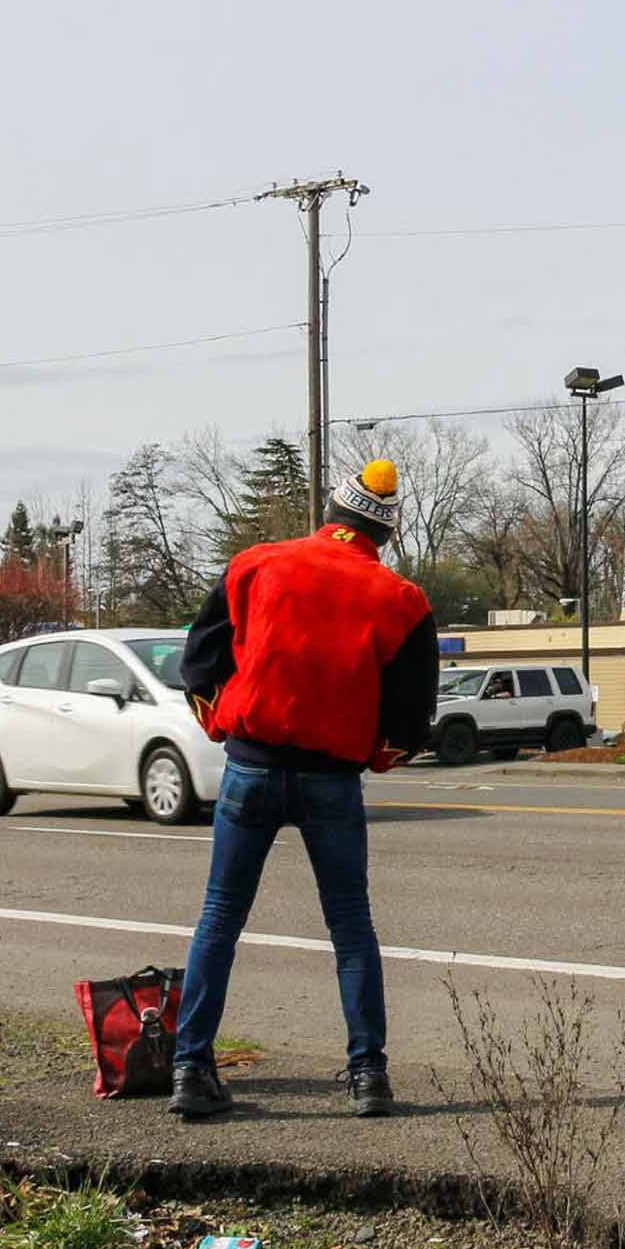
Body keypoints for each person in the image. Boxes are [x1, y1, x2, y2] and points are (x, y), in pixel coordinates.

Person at [170, 460, 438, 1121]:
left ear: (333, 513)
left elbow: (200, 660)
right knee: (350, 926)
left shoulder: (255, 564)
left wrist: (218, 722)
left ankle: (190, 1069)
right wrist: (376, 756)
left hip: (251, 765)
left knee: (220, 919)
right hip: (331, 779)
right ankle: (367, 1075)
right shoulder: (401, 599)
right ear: (385, 530)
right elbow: (410, 716)